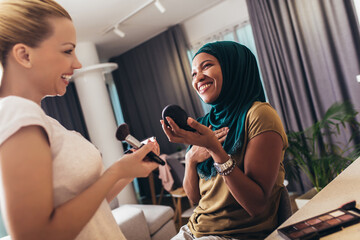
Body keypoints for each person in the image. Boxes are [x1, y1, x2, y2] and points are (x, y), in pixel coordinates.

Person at [0, 0, 160, 239]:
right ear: (24, 55)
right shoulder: (19, 112)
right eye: (67, 50)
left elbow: (91, 207)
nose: (78, 63)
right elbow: (34, 234)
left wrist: (128, 170)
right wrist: (115, 172)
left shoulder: (41, 120)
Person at [161, 41, 288, 239]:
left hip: (234, 235)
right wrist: (192, 159)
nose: (198, 78)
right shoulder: (204, 124)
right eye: (194, 73)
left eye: (207, 66)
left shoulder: (259, 115)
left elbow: (256, 205)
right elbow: (194, 199)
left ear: (234, 67)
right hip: (194, 230)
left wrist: (215, 150)